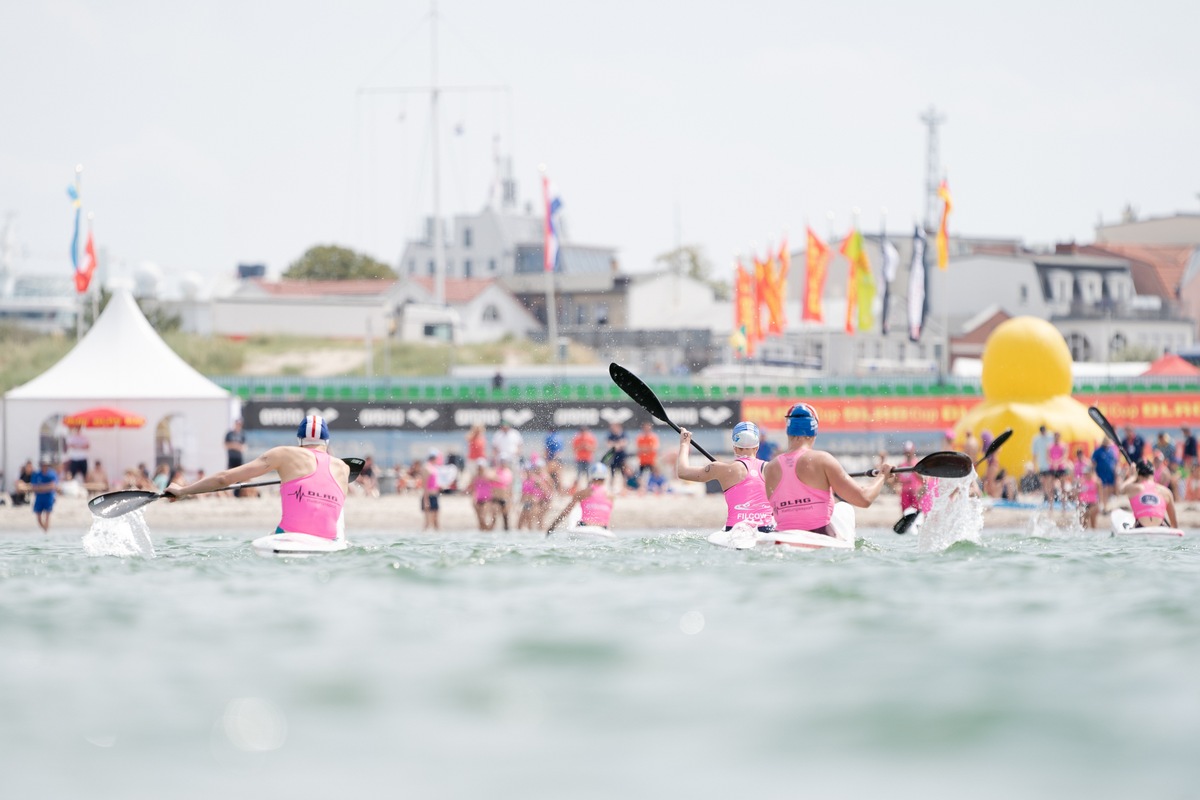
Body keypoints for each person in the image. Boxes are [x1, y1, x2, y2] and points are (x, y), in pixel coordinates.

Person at [167, 414, 350, 541]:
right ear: (326, 442)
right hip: (329, 541)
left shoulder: (283, 454)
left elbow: (224, 478)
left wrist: (183, 491)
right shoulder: (343, 468)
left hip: (288, 536)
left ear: (299, 441)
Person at [763, 403, 892, 535]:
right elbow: (864, 499)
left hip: (782, 538)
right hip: (819, 537)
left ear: (788, 431)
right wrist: (882, 476)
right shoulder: (822, 460)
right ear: (814, 431)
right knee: (844, 508)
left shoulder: (769, 468)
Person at [676, 421, 775, 532]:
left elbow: (682, 472)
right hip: (767, 529)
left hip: (735, 530)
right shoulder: (772, 469)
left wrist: (684, 444)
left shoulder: (721, 468)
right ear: (757, 447)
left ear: (734, 447)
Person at [550, 463, 614, 532]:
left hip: (585, 526)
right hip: (603, 528)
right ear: (605, 477)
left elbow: (566, 511)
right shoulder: (611, 495)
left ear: (591, 476)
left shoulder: (583, 493)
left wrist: (552, 527)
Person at [1118, 459, 1177, 529]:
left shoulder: (1134, 488)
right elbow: (1174, 525)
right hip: (1160, 527)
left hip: (1140, 527)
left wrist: (1132, 477)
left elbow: (1120, 490)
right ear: (1153, 473)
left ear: (1138, 475)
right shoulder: (1166, 492)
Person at [20, 454, 59, 532]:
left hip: (49, 497)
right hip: (39, 498)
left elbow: (53, 486)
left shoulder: (52, 474)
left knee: (47, 516)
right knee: (38, 518)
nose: (44, 466)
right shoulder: (37, 474)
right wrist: (46, 487)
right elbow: (34, 487)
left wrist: (41, 487)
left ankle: (46, 532)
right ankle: (44, 531)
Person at [1092, 439, 1118, 512]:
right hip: (1101, 473)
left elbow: (1115, 462)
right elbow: (1093, 463)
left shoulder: (1111, 451)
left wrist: (1115, 473)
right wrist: (1094, 474)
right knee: (1103, 489)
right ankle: (1103, 505)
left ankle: (1106, 504)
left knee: (1109, 489)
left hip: (1110, 473)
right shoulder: (1098, 451)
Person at [469, 458, 495, 530]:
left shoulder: (488, 475)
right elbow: (471, 488)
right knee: (479, 519)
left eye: (481, 467)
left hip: (487, 499)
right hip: (478, 499)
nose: (479, 468)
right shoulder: (475, 477)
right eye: (478, 467)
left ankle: (487, 530)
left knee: (483, 516)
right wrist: (472, 498)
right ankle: (483, 533)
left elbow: (497, 482)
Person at [1030, 425, 1053, 504]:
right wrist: (1033, 465)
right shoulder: (1037, 439)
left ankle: (1049, 497)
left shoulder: (1051, 436)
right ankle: (1046, 496)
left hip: (1050, 465)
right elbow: (1034, 453)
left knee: (1049, 482)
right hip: (1042, 464)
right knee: (1043, 481)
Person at [224, 418, 247, 497]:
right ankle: (228, 493)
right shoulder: (229, 434)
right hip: (232, 458)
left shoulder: (242, 434)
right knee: (229, 475)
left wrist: (234, 445)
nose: (238, 426)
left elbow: (244, 447)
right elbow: (226, 445)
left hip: (239, 458)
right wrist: (236, 446)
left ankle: (237, 494)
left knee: (239, 476)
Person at [419, 450, 441, 531]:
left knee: (436, 522)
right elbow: (424, 485)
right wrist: (426, 499)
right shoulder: (426, 468)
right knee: (428, 523)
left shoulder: (434, 467)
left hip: (435, 495)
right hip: (428, 496)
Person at [634, 422, 660, 491]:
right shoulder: (640, 437)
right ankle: (642, 488)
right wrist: (648, 448)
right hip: (642, 461)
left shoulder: (653, 437)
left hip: (651, 460)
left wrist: (645, 449)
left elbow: (654, 448)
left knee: (653, 476)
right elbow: (639, 448)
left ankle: (653, 488)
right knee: (640, 476)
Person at [606, 422, 628, 492]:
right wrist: (617, 445)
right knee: (612, 474)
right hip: (613, 457)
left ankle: (624, 488)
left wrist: (615, 445)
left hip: (621, 457)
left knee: (623, 474)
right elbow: (608, 445)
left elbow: (624, 443)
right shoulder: (610, 435)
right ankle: (612, 488)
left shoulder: (623, 434)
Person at [543, 427, 565, 494]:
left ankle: (550, 492)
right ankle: (560, 492)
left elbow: (547, 450)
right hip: (560, 459)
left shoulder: (549, 437)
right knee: (558, 476)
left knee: (546, 474)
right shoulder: (560, 437)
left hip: (553, 459)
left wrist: (545, 460)